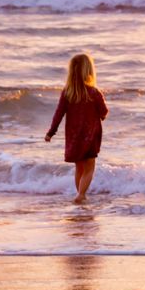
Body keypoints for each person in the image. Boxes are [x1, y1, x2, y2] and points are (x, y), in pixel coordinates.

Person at [44, 53, 109, 204]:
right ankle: (81, 195)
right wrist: (102, 115)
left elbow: (58, 114)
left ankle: (80, 194)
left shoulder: (67, 93)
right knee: (89, 168)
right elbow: (104, 112)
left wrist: (50, 133)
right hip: (91, 136)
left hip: (74, 137)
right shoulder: (94, 92)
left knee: (79, 168)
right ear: (89, 71)